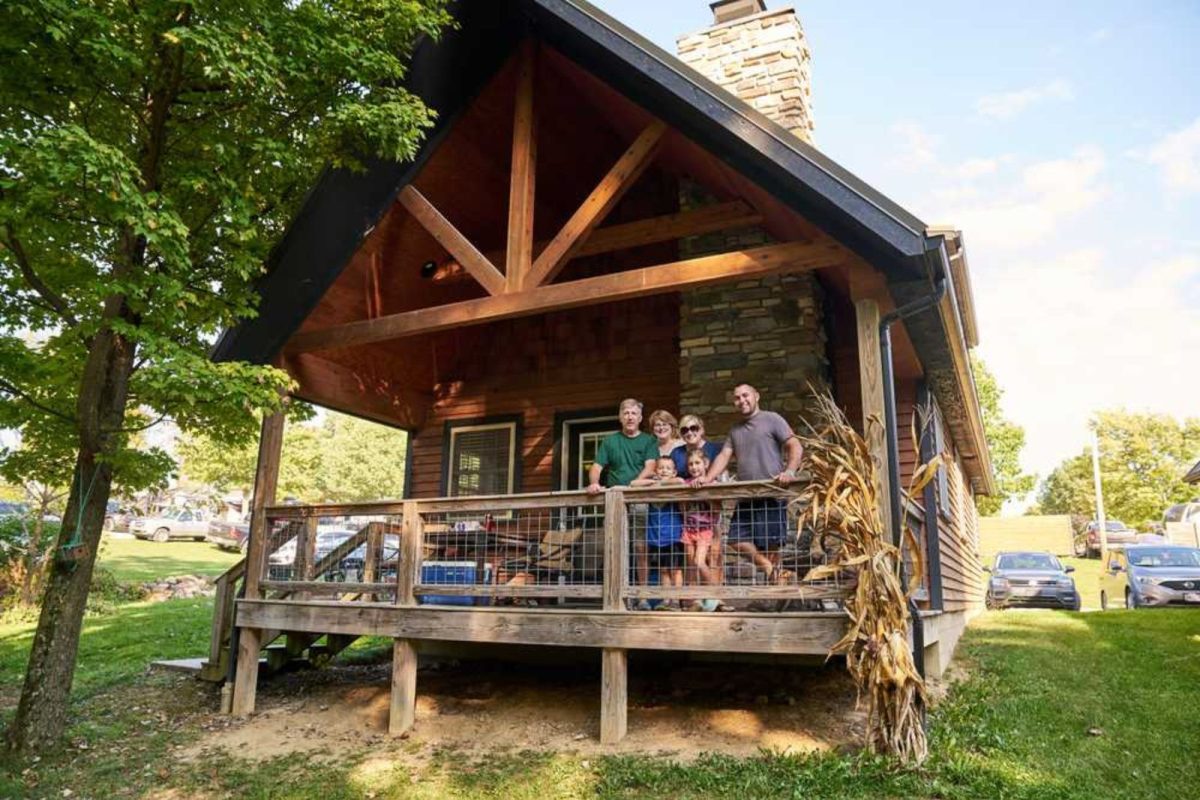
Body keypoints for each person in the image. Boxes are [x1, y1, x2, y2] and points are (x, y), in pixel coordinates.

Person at [695, 383, 802, 585]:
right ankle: (773, 572)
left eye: (745, 395)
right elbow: (725, 454)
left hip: (771, 493)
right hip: (746, 496)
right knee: (735, 539)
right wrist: (707, 478)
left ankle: (774, 596)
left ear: (756, 396)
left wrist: (789, 471)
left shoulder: (772, 419)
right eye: (737, 398)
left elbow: (795, 445)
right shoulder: (735, 430)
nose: (741, 400)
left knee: (771, 547)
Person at [587, 398, 657, 605]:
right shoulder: (610, 441)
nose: (630, 416)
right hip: (615, 501)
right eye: (626, 413)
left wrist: (634, 483)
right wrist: (594, 483)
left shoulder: (648, 441)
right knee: (614, 548)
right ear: (620, 416)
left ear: (640, 418)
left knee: (640, 548)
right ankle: (616, 597)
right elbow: (597, 467)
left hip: (638, 499)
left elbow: (651, 467)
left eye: (634, 413)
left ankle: (642, 597)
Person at [680, 450, 731, 612]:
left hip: (705, 530)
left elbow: (717, 509)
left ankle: (715, 595)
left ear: (706, 464)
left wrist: (703, 491)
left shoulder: (712, 482)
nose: (694, 467)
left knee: (700, 562)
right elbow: (682, 508)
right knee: (691, 566)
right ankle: (696, 600)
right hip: (689, 529)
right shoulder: (686, 483)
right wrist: (688, 493)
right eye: (690, 464)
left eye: (697, 463)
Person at [632, 456, 686, 609]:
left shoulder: (673, 486)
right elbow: (633, 484)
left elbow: (680, 481)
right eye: (661, 468)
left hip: (673, 536)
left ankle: (675, 600)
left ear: (674, 472)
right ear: (655, 471)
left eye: (668, 468)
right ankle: (666, 600)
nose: (664, 471)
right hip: (656, 538)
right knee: (663, 569)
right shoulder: (652, 487)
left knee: (675, 569)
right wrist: (655, 482)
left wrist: (661, 482)